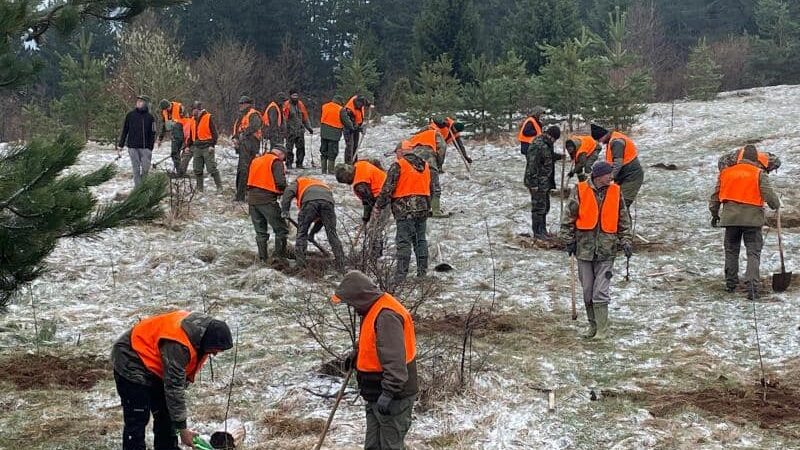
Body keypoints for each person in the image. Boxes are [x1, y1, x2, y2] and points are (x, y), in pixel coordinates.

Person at [110, 310, 233, 450]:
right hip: (130, 357)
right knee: (138, 416)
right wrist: (182, 429)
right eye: (216, 349)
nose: (216, 354)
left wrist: (179, 423)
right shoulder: (178, 345)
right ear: (209, 340)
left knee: (166, 414)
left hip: (154, 363)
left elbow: (177, 385)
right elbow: (174, 387)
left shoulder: (202, 339)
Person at [332, 270, 417, 450]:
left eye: (351, 303)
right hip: (375, 394)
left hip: (393, 397)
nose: (352, 308)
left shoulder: (386, 316)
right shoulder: (372, 308)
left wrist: (388, 393)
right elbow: (375, 342)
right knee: (373, 446)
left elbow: (395, 361)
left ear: (359, 297)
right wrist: (357, 354)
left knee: (390, 446)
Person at [560, 162, 632, 340]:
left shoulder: (616, 191)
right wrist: (568, 240)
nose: (611, 177)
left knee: (600, 291)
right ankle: (593, 326)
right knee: (588, 290)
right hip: (584, 249)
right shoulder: (580, 190)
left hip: (607, 250)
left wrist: (626, 240)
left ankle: (602, 330)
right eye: (608, 174)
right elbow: (568, 216)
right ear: (599, 176)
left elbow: (623, 219)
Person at [709, 146, 780, 297]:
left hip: (730, 219)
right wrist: (776, 205)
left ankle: (730, 284)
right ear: (756, 159)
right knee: (753, 253)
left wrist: (715, 214)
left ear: (740, 158)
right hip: (752, 221)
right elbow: (769, 196)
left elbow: (715, 196)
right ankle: (752, 288)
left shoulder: (726, 173)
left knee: (731, 251)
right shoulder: (759, 173)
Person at [376, 145, 433, 286]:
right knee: (420, 240)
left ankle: (400, 277)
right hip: (423, 207)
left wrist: (379, 205)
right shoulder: (425, 165)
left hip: (404, 208)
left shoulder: (398, 165)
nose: (396, 155)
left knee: (403, 241)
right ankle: (422, 273)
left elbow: (388, 188)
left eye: (397, 152)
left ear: (401, 151)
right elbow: (430, 187)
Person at [280, 175, 347, 273]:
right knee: (332, 234)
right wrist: (312, 234)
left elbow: (288, 191)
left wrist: (285, 209)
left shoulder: (299, 181)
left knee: (301, 234)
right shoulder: (320, 184)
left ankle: (300, 266)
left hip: (309, 203)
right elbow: (321, 220)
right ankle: (341, 265)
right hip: (328, 203)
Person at [334, 159, 389, 258]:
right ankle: (375, 253)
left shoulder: (359, 184)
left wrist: (366, 217)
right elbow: (376, 162)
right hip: (388, 189)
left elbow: (369, 201)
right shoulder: (360, 164)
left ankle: (375, 255)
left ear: (347, 177)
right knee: (375, 227)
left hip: (383, 198)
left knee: (374, 228)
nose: (347, 183)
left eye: (345, 181)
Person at [247, 145, 290, 264]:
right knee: (281, 229)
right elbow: (280, 182)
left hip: (252, 200)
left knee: (261, 232)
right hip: (266, 200)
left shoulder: (256, 160)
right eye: (284, 158)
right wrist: (284, 192)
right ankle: (279, 259)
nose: (283, 161)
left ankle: (263, 259)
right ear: (281, 154)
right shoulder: (276, 161)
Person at [591, 124, 645, 209]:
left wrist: (610, 177)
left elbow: (618, 163)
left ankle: (624, 222)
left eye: (599, 139)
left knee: (621, 205)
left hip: (631, 177)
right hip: (622, 176)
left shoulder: (616, 142)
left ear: (603, 135)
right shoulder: (611, 141)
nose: (600, 142)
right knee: (616, 203)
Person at [524, 126, 563, 239]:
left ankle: (543, 230)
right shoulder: (537, 145)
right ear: (550, 135)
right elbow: (532, 165)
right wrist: (533, 184)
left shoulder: (546, 144)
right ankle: (538, 233)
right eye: (554, 139)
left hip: (545, 182)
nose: (554, 141)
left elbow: (547, 158)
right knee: (538, 208)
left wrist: (560, 157)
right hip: (537, 182)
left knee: (545, 207)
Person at [401, 128, 447, 217]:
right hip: (428, 160)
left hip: (412, 163)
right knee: (434, 185)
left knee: (418, 186)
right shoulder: (435, 133)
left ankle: (416, 209)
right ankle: (436, 211)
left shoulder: (416, 137)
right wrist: (439, 164)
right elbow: (443, 147)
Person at [118, 95, 157, 187]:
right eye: (138, 101)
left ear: (146, 104)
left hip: (145, 148)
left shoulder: (150, 117)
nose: (138, 102)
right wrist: (121, 145)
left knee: (145, 169)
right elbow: (125, 130)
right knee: (136, 169)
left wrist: (150, 147)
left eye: (141, 101)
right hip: (133, 147)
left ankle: (143, 186)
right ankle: (138, 190)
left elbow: (153, 133)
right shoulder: (130, 115)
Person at [185, 101, 222, 193]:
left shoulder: (208, 117)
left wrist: (212, 145)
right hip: (197, 147)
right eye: (192, 109)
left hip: (207, 146)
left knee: (211, 168)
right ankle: (199, 189)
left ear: (199, 109)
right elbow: (191, 134)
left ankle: (219, 187)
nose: (192, 111)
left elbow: (215, 134)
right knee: (197, 169)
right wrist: (187, 146)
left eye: (194, 109)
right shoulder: (193, 119)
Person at [232, 96, 263, 202]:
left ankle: (242, 195)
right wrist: (236, 138)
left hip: (251, 144)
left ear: (248, 104)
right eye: (240, 103)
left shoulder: (253, 114)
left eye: (242, 103)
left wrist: (243, 135)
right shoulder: (242, 115)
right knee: (243, 169)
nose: (240, 105)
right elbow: (237, 128)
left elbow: (255, 126)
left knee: (246, 169)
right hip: (244, 144)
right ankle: (242, 193)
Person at [283, 89, 313, 169]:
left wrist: (309, 127)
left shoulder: (300, 104)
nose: (295, 97)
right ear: (290, 96)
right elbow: (284, 119)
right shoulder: (287, 105)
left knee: (301, 148)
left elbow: (305, 117)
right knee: (289, 148)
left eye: (296, 96)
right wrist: (285, 130)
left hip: (300, 130)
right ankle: (289, 163)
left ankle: (299, 163)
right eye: (293, 96)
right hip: (290, 131)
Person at [156, 99, 187, 175]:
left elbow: (188, 122)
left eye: (168, 108)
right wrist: (160, 138)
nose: (167, 110)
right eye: (165, 109)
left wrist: (187, 138)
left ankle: (180, 171)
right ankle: (180, 171)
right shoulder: (164, 112)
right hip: (174, 135)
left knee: (181, 153)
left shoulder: (180, 108)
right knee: (175, 153)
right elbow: (164, 126)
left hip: (183, 133)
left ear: (170, 105)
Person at [319, 98, 346, 174]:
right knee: (332, 152)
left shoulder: (325, 106)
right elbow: (346, 121)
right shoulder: (340, 109)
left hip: (324, 132)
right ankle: (331, 170)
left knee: (323, 150)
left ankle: (323, 170)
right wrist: (353, 128)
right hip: (334, 133)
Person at [344, 94, 370, 163]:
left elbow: (364, 100)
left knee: (355, 145)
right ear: (356, 103)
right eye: (360, 105)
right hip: (348, 127)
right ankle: (348, 163)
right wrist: (360, 129)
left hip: (357, 126)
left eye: (362, 105)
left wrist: (368, 104)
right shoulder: (349, 110)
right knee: (350, 146)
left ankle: (355, 162)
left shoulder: (360, 99)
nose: (361, 106)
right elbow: (351, 124)